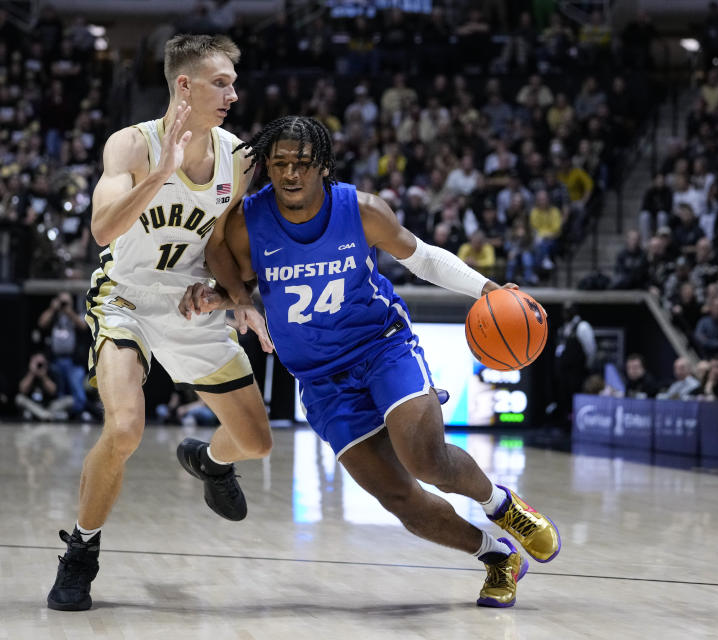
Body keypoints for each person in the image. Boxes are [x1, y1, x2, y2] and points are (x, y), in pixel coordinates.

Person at [185, 116, 561, 608]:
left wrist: (487, 289)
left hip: (381, 347)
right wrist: (229, 297)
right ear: (268, 169)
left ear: (322, 166)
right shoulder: (248, 223)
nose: (291, 174)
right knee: (399, 499)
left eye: (302, 163)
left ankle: (501, 505)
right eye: (279, 164)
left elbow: (421, 257)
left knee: (426, 459)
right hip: (320, 380)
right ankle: (497, 557)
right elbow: (222, 261)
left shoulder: (360, 210)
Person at [47, 34, 274, 612]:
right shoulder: (131, 145)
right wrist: (160, 174)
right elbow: (102, 230)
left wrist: (239, 296)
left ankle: (209, 461)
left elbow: (219, 242)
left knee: (256, 441)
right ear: (184, 85)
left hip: (191, 302)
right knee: (124, 428)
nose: (232, 92)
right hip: (126, 297)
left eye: (232, 81)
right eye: (221, 82)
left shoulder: (237, 158)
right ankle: (82, 552)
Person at [38, 292, 91, 420]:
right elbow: (41, 323)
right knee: (59, 393)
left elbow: (83, 326)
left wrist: (69, 311)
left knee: (78, 394)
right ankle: (62, 414)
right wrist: (53, 309)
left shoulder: (75, 313)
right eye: (61, 302)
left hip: (73, 362)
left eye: (66, 302)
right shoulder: (53, 316)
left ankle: (74, 413)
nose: (63, 305)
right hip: (55, 361)